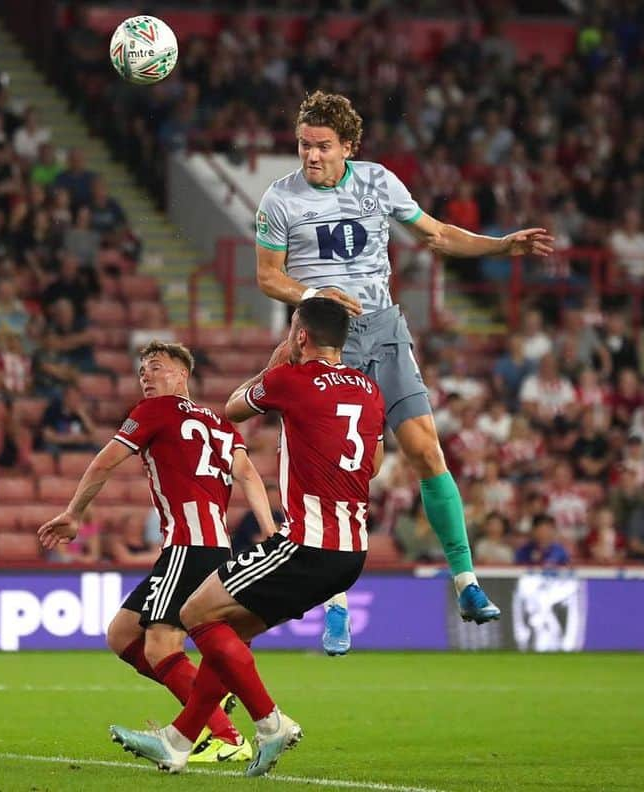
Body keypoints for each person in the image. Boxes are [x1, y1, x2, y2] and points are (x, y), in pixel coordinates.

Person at [251, 92, 553, 646]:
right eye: (303, 144)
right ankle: (334, 599)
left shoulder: (378, 182)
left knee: (427, 450)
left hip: (385, 329)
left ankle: (466, 581)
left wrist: (499, 247)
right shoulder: (279, 199)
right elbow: (269, 277)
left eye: (322, 146)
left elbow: (435, 234)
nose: (310, 155)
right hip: (324, 342)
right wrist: (319, 292)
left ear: (348, 146)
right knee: (349, 472)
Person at [109, 298, 385, 777]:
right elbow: (374, 464)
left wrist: (278, 358)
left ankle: (270, 722)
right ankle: (177, 743)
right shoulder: (370, 390)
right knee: (228, 634)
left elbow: (235, 409)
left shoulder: (290, 379)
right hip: (352, 549)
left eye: (292, 331)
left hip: (306, 543)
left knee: (196, 612)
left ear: (300, 336)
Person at [40, 340, 277, 765]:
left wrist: (74, 512)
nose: (145, 375)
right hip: (209, 549)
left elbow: (103, 463)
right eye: (141, 370)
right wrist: (270, 529)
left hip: (189, 547)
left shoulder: (154, 411)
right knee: (121, 635)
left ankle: (223, 735)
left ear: (182, 374)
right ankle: (203, 702)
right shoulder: (222, 424)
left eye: (155, 367)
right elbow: (249, 476)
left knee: (159, 647)